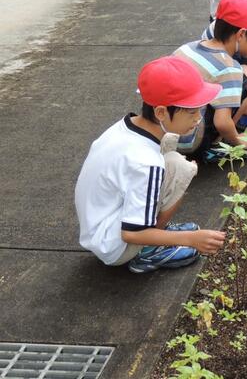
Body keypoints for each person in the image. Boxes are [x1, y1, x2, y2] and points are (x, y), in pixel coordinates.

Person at [75, 56, 226, 273]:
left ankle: (155, 231)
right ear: (161, 112)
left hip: (99, 228)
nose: (198, 119)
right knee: (181, 168)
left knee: (171, 149)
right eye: (192, 112)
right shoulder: (147, 163)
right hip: (116, 247)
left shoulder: (126, 126)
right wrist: (191, 239)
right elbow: (131, 233)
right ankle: (146, 251)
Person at [176, 0, 247, 153]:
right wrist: (238, 141)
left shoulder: (188, 48)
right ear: (241, 34)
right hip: (191, 141)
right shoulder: (229, 68)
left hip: (165, 132)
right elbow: (222, 122)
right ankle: (216, 145)